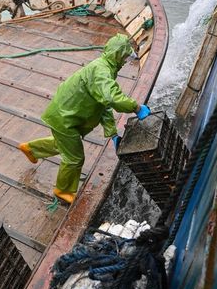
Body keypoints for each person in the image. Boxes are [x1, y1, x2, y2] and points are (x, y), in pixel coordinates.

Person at [18, 34, 151, 204]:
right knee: (75, 158)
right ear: (117, 54)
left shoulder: (105, 68)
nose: (126, 60)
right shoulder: (101, 71)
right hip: (65, 117)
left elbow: (102, 105)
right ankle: (62, 191)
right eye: (125, 56)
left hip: (68, 115)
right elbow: (111, 98)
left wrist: (112, 134)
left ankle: (31, 149)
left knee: (64, 144)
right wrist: (136, 107)